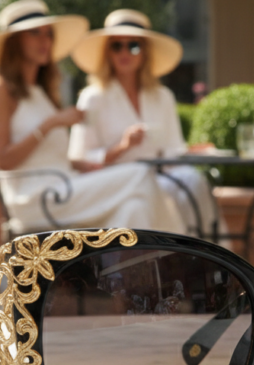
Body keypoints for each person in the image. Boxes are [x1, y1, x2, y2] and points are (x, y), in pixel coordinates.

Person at [0, 0, 186, 236]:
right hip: (36, 198)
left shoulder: (42, 92)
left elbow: (49, 157)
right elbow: (2, 160)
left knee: (134, 208)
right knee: (140, 174)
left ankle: (125, 261)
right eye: (35, 33)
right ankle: (183, 251)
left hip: (65, 185)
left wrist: (82, 165)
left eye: (48, 33)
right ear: (15, 41)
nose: (45, 41)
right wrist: (52, 123)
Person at [67, 9, 215, 238]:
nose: (125, 52)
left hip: (162, 178)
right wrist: (123, 147)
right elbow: (81, 159)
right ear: (107, 52)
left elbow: (173, 151)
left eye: (133, 45)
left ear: (145, 52)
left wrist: (191, 152)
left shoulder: (163, 96)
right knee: (140, 203)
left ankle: (209, 248)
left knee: (195, 181)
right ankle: (179, 250)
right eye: (117, 46)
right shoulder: (92, 97)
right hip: (114, 184)